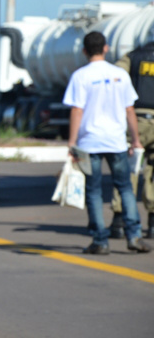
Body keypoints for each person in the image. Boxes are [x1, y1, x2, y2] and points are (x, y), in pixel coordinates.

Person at [63, 31, 150, 254]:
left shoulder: (80, 76)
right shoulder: (120, 74)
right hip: (117, 141)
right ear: (106, 48)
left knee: (93, 191)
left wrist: (72, 143)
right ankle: (134, 236)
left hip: (89, 142)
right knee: (125, 188)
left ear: (84, 51)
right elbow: (129, 109)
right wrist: (136, 140)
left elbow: (76, 111)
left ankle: (100, 241)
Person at [109, 41, 154, 239]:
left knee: (128, 170)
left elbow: (115, 81)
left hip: (136, 118)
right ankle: (153, 223)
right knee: (152, 172)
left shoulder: (132, 57)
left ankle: (119, 220)